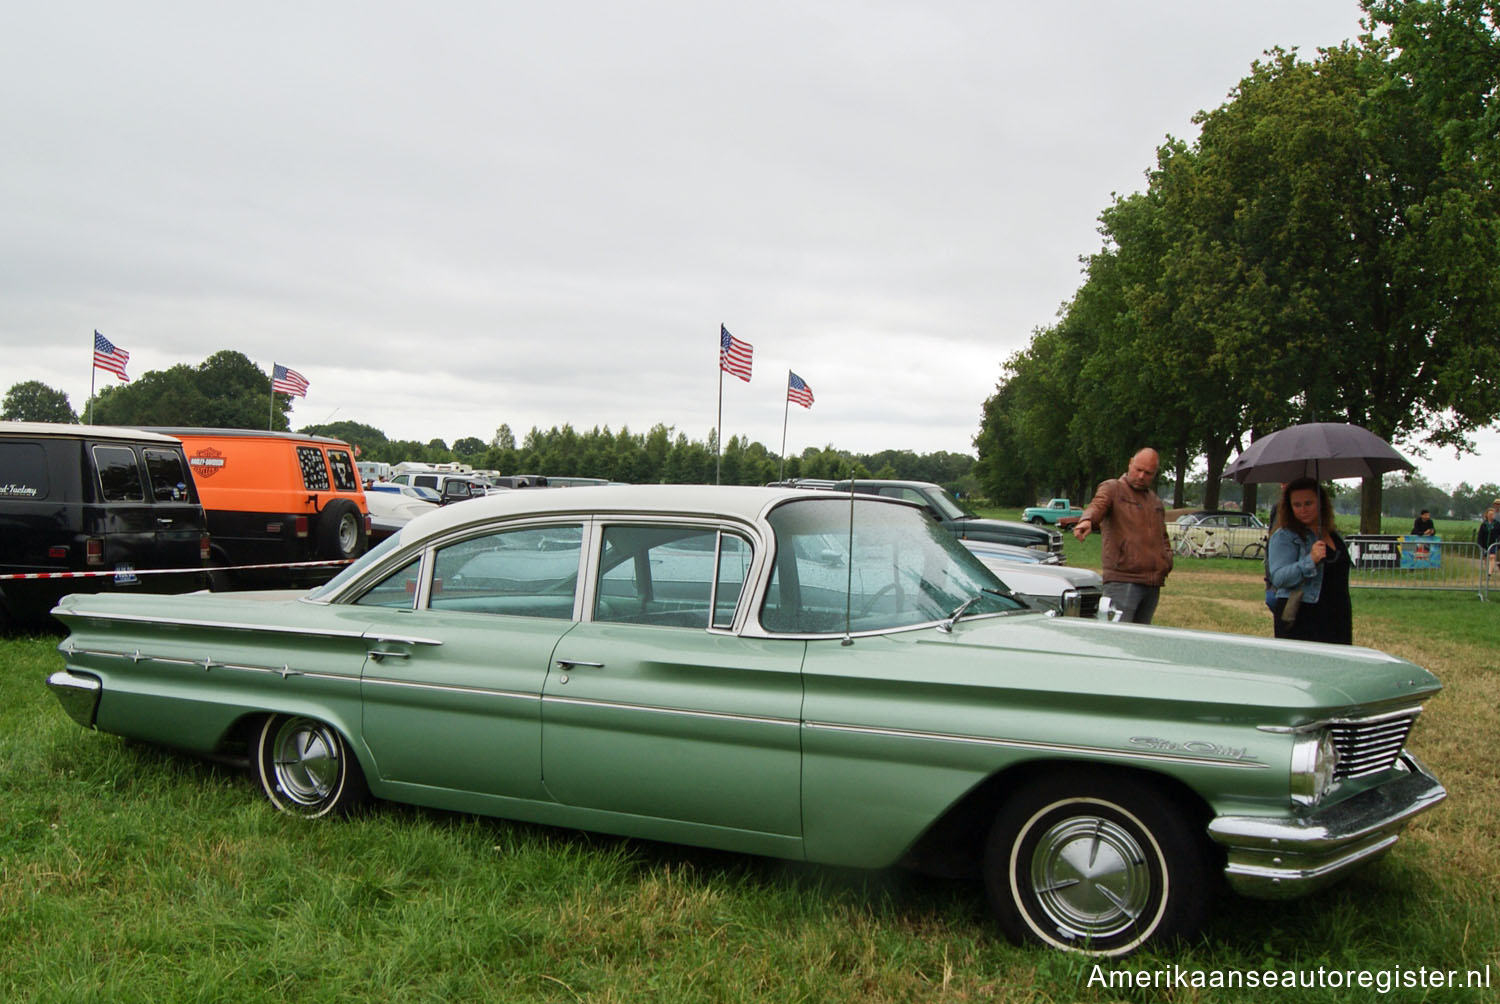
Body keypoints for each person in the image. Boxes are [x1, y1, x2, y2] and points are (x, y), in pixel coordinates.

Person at [1072, 448, 1173, 623]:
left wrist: (1166, 560)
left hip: (1153, 583)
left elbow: (1162, 537)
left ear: (1155, 474)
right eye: (1138, 470)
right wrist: (1087, 520)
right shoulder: (1113, 488)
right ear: (1130, 463)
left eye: (1148, 473)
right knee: (1115, 639)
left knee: (1139, 641)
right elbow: (1098, 504)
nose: (1141, 476)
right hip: (1122, 579)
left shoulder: (1155, 501)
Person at [1267, 478, 1351, 645]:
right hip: (1303, 615)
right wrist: (1309, 560)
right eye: (1297, 505)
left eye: (1308, 503)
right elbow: (1279, 577)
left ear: (1321, 503)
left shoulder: (1332, 535)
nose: (1303, 510)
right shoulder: (1285, 536)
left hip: (1336, 614)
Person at [1478, 507, 1499, 577]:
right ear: (1486, 515)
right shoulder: (1483, 524)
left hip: (1493, 543)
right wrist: (1480, 544)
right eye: (1489, 514)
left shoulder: (1497, 524)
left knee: (1492, 557)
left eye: (1492, 514)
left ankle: (1489, 573)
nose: (1491, 515)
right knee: (1486, 558)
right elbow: (1480, 535)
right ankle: (1487, 572)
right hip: (1484, 543)